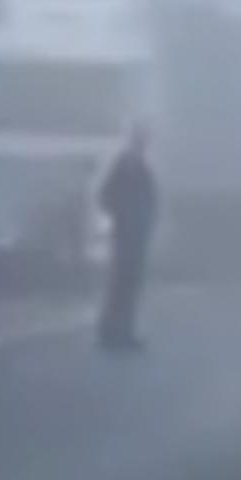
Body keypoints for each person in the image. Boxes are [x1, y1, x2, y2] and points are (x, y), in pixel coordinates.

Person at [95, 127, 160, 351]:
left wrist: (146, 220)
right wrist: (123, 215)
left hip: (137, 236)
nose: (143, 146)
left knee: (129, 286)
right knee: (120, 285)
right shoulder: (124, 167)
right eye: (141, 141)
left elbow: (151, 201)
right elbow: (104, 196)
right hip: (125, 236)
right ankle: (113, 333)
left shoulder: (142, 169)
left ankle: (121, 332)